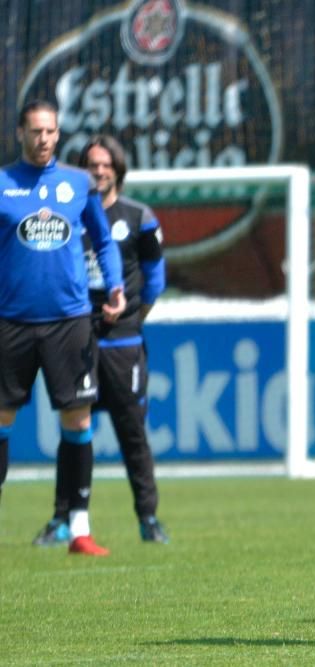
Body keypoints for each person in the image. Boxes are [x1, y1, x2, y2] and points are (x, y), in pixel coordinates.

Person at [0, 100, 125, 556]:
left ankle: (79, 529)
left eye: (51, 131)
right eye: (36, 131)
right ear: (20, 133)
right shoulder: (2, 185)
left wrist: (114, 284)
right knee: (1, 420)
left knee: (78, 419)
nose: (44, 139)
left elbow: (104, 239)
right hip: (10, 322)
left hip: (69, 322)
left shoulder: (78, 183)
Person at [33, 135, 168, 547]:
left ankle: (148, 518)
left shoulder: (139, 216)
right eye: (91, 163)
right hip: (76, 337)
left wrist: (131, 317)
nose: (99, 170)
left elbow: (155, 278)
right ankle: (62, 520)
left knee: (133, 435)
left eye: (106, 163)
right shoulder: (66, 214)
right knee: (73, 430)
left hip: (123, 344)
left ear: (117, 168)